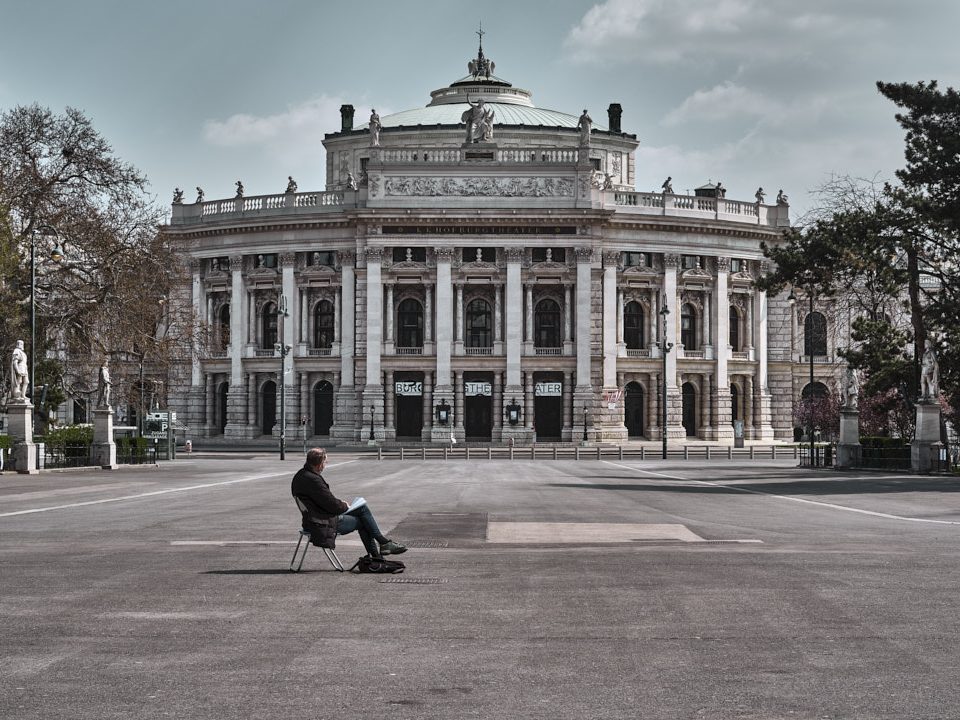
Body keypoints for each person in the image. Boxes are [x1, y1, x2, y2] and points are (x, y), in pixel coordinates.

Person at [291, 447, 406, 559]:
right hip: (321, 523)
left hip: (314, 519)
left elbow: (325, 501)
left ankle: (381, 549)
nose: (325, 465)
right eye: (325, 462)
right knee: (363, 519)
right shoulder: (313, 480)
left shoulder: (301, 475)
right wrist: (345, 505)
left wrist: (341, 504)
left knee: (362, 510)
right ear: (319, 464)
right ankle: (380, 550)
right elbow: (332, 506)